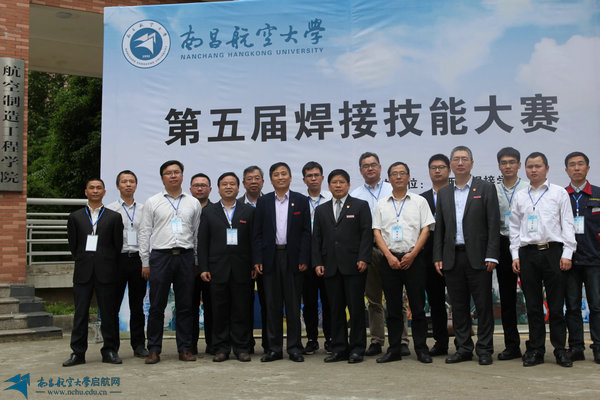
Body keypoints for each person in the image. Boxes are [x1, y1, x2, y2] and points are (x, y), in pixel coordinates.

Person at [433, 145, 500, 366]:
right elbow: (440, 228)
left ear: (472, 163)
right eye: (456, 159)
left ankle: (485, 349)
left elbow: (493, 224)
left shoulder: (486, 188)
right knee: (458, 306)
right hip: (452, 257)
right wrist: (438, 256)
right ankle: (463, 348)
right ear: (451, 165)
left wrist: (492, 255)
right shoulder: (444, 193)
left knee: (483, 306)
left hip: (479, 258)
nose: (460, 163)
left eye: (464, 159)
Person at [509, 152, 576, 367]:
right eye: (530, 167)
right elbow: (514, 228)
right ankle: (536, 350)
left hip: (553, 252)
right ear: (525, 169)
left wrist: (567, 253)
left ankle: (560, 350)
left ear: (546, 168)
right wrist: (515, 255)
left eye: (538, 166)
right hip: (527, 254)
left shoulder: (558, 193)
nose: (533, 170)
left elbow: (568, 224)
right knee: (533, 306)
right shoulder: (520, 196)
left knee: (555, 306)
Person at [138, 160, 202, 364]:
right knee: (157, 305)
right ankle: (154, 349)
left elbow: (196, 234)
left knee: (185, 306)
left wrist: (196, 260)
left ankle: (184, 348)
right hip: (160, 257)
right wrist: (145, 261)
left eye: (176, 172)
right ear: (162, 178)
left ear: (182, 176)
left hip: (185, 257)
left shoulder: (193, 202)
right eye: (168, 173)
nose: (173, 176)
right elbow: (144, 232)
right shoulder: (153, 202)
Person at [373, 162, 435, 364]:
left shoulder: (419, 201)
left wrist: (413, 254)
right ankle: (394, 349)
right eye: (394, 174)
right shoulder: (382, 204)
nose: (398, 177)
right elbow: (377, 232)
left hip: (414, 260)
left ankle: (421, 349)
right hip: (389, 260)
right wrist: (389, 256)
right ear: (388, 179)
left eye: (402, 173)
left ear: (409, 177)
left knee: (418, 308)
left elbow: (426, 229)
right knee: (392, 308)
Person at [350, 152, 410, 357]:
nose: (370, 168)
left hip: (394, 250)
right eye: (365, 166)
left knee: (397, 299)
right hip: (370, 249)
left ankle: (402, 340)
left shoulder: (392, 189)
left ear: (380, 168)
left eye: (373, 164)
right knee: (373, 298)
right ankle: (376, 340)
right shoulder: (356, 195)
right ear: (360, 170)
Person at [253, 162, 311, 362]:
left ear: (290, 177)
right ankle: (274, 349)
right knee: (272, 305)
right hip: (270, 258)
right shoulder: (264, 202)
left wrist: (303, 258)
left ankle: (294, 348)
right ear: (270, 179)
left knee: (293, 305)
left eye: (284, 173)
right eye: (276, 174)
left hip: (293, 258)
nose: (280, 177)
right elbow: (257, 233)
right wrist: (258, 259)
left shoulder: (300, 201)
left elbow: (306, 232)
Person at [312, 169, 372, 363]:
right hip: (330, 266)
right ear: (329, 186)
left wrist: (364, 258)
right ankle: (339, 348)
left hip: (354, 265)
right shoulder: (321, 210)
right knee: (335, 310)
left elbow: (366, 234)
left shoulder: (360, 206)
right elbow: (316, 238)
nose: (338, 185)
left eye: (342, 182)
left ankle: (357, 349)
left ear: (348, 185)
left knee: (356, 309)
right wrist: (318, 262)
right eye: (334, 182)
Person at [63, 178, 124, 367]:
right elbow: (74, 246)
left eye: (99, 188)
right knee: (80, 313)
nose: (95, 191)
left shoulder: (114, 217)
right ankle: (78, 353)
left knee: (109, 313)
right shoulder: (75, 217)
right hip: (83, 272)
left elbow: (117, 246)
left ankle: (110, 351)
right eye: (92, 188)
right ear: (86, 192)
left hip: (107, 272)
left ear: (104, 192)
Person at [198, 172, 255, 362]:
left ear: (238, 188)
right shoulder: (209, 212)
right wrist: (204, 267)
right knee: (218, 310)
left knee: (241, 309)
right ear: (218, 189)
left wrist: (254, 264)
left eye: (232, 184)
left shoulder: (248, 211)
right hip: (217, 269)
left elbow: (254, 240)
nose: (228, 187)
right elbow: (203, 242)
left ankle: (242, 347)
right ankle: (221, 348)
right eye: (224, 184)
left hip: (242, 268)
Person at [107, 170, 149, 358]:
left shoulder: (144, 209)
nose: (128, 184)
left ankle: (139, 345)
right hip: (117, 260)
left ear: (136, 185)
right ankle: (112, 347)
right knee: (112, 306)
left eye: (132, 181)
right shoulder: (110, 209)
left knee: (137, 306)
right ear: (118, 186)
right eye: (124, 181)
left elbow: (147, 235)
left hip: (138, 260)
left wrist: (146, 261)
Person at [564, 151, 600, 364]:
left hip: (595, 260)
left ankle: (598, 347)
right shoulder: (560, 195)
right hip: (569, 260)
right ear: (566, 170)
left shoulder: (597, 194)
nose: (576, 168)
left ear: (587, 167)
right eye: (572, 165)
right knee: (572, 307)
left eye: (580, 164)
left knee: (596, 306)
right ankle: (576, 347)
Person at [494, 147, 528, 360]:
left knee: (532, 298)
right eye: (504, 162)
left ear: (519, 165)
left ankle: (534, 345)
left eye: (512, 162)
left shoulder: (527, 188)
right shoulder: (493, 190)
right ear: (499, 166)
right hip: (502, 245)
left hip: (525, 245)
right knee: (506, 299)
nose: (508, 166)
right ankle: (512, 346)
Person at [420, 154, 451, 357]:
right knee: (436, 302)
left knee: (460, 301)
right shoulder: (421, 199)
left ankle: (465, 343)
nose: (437, 171)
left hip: (455, 254)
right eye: (433, 168)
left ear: (449, 170)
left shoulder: (457, 194)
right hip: (430, 257)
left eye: (441, 167)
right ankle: (441, 343)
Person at [301, 161, 332, 355]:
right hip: (306, 258)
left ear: (322, 178)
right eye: (309, 176)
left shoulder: (332, 198)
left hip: (328, 256)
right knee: (309, 302)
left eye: (316, 175)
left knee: (330, 300)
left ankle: (330, 339)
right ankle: (312, 339)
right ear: (304, 179)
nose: (313, 179)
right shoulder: (299, 201)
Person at [239, 165, 267, 354]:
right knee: (244, 305)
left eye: (257, 178)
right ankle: (245, 343)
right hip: (243, 264)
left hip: (268, 263)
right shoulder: (236, 205)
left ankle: (269, 344)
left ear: (263, 181)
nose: (253, 182)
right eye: (249, 179)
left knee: (268, 304)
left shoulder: (271, 202)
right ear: (243, 183)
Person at [189, 173, 214, 355]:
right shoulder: (184, 208)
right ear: (190, 189)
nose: (199, 188)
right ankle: (190, 345)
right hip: (188, 266)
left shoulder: (216, 210)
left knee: (212, 307)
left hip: (211, 267)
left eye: (203, 185)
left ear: (210, 189)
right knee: (189, 307)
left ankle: (213, 344)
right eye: (196, 185)